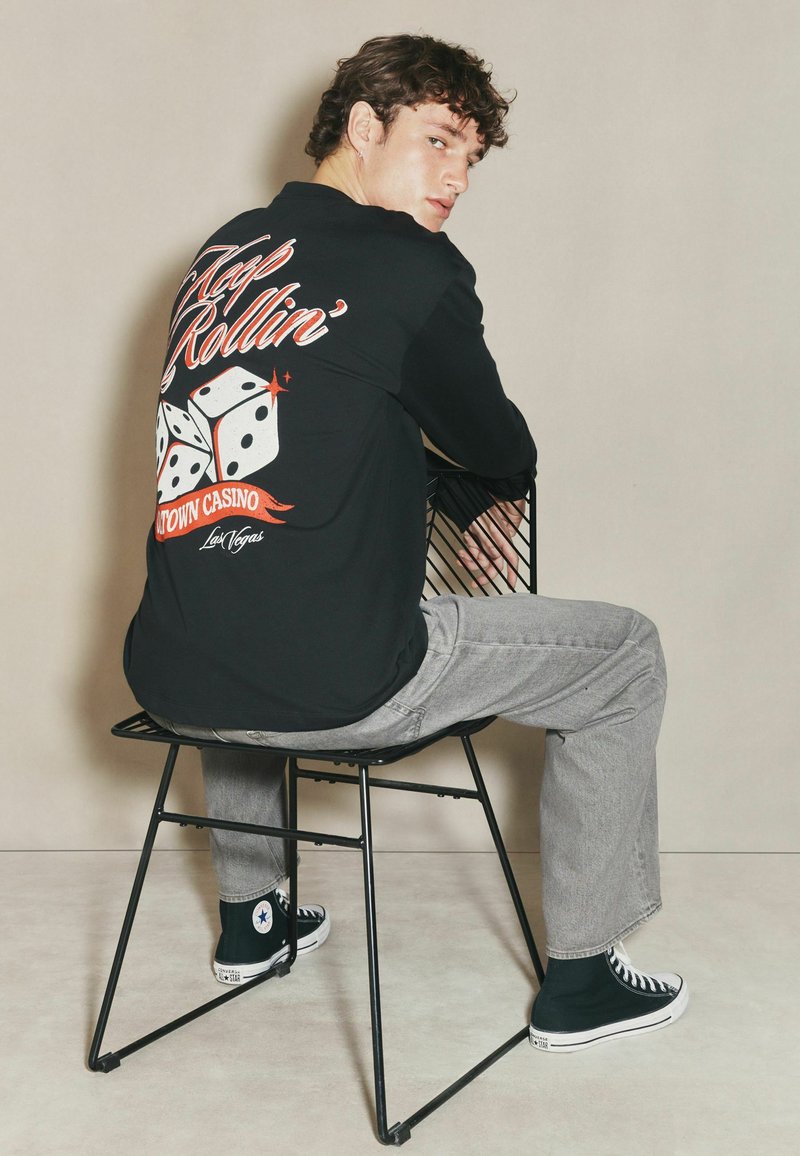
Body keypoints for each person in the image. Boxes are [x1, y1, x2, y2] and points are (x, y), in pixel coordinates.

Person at [124, 33, 688, 1053]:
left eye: (470, 158)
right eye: (437, 141)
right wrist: (464, 485)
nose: (456, 177)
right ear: (362, 125)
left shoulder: (223, 251)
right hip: (344, 683)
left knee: (244, 580)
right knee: (625, 654)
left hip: (170, 670)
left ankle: (254, 920)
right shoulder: (409, 263)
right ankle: (582, 981)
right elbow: (497, 444)